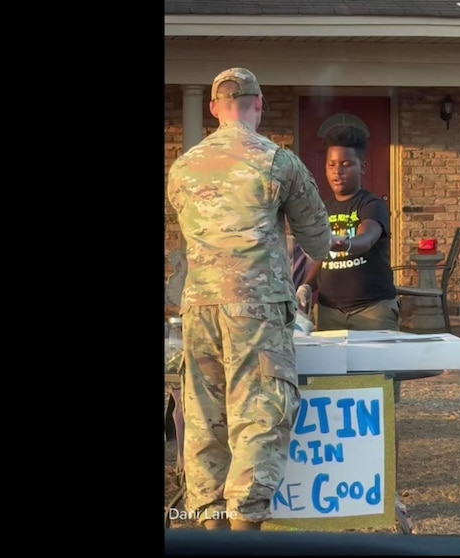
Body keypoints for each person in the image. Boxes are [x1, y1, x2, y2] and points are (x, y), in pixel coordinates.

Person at [166, 67, 332, 531]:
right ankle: (245, 532)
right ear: (258, 105)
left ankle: (208, 527)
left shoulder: (183, 167)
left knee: (204, 420)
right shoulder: (278, 162)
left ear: (215, 108)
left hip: (198, 309)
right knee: (259, 412)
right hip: (256, 310)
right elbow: (317, 241)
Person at [301, 124, 399, 332]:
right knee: (331, 366)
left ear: (362, 167)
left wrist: (343, 242)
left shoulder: (372, 205)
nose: (338, 171)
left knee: (377, 365)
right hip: (329, 312)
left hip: (372, 311)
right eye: (332, 165)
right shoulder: (323, 209)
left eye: (346, 164)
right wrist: (307, 286)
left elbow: (366, 239)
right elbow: (321, 255)